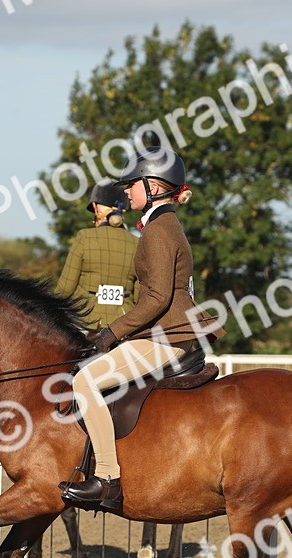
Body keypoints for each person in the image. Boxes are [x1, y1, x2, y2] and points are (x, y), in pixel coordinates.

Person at [61, 148, 224, 512]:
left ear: (153, 186)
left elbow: (155, 299)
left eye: (132, 185)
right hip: (169, 332)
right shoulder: (162, 225)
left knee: (84, 382)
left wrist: (111, 333)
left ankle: (106, 478)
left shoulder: (159, 230)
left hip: (170, 335)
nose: (126, 193)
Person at [54, 180, 138, 328]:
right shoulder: (137, 243)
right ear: (124, 209)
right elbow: (138, 295)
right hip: (124, 324)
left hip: (86, 321)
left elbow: (65, 289)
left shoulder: (85, 237)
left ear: (97, 207)